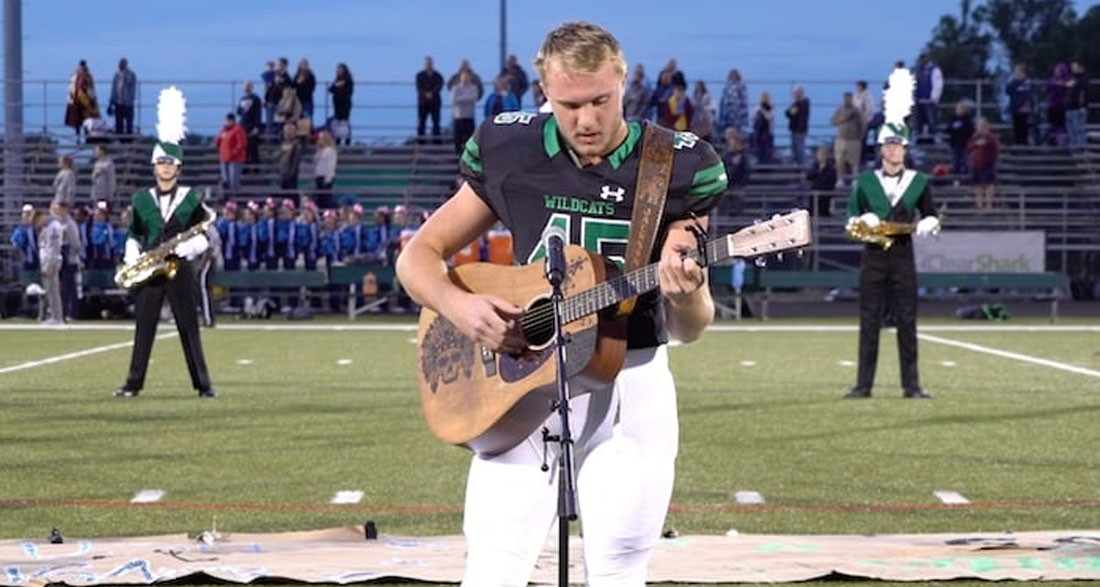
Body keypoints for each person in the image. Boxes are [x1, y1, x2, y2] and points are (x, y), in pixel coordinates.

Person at [395, 21, 727, 585]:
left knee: (620, 569)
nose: (588, 119)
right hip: (525, 375)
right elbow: (417, 257)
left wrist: (687, 291)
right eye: (569, 104)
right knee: (494, 565)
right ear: (542, 91)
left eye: (601, 99)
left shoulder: (674, 164)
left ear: (624, 81)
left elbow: (691, 328)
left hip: (631, 380)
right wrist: (460, 307)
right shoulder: (509, 147)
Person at [115, 87, 216, 399]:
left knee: (189, 326)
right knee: (144, 327)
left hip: (179, 267)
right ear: (154, 166)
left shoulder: (190, 198)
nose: (166, 168)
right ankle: (133, 384)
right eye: (161, 163)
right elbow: (133, 233)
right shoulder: (141, 199)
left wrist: (187, 248)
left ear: (178, 167)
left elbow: (204, 234)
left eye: (171, 164)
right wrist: (133, 256)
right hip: (150, 267)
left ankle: (203, 384)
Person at [844, 68, 939, 400]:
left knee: (907, 321)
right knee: (868, 321)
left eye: (898, 145)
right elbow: (849, 219)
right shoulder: (866, 181)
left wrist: (931, 224)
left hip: (903, 255)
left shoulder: (919, 181)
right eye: (888, 144)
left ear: (905, 148)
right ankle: (862, 385)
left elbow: (931, 216)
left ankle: (911, 385)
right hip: (872, 256)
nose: (893, 150)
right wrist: (863, 221)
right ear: (881, 148)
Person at [108, 58, 137, 135]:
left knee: (129, 123)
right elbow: (114, 90)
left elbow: (132, 90)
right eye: (119, 64)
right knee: (118, 123)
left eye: (121, 64)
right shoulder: (116, 75)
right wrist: (111, 103)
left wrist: (130, 101)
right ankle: (120, 139)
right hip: (118, 102)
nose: (120, 66)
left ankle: (128, 140)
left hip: (128, 103)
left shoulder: (131, 75)